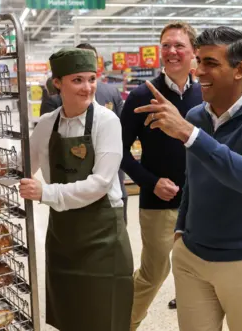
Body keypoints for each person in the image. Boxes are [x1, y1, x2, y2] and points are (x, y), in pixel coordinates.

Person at [135, 26, 242, 331]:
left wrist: (191, 136)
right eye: (199, 61)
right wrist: (180, 233)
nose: (199, 71)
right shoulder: (196, 117)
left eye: (211, 64)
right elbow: (193, 180)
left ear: (240, 69)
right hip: (192, 258)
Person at [20, 48, 133, 331]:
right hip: (64, 235)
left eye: (91, 79)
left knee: (104, 313)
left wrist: (46, 193)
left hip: (102, 236)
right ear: (57, 83)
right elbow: (24, 166)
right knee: (70, 313)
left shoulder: (108, 122)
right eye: (78, 80)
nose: (88, 87)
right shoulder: (47, 125)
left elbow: (100, 183)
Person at [121, 22, 202, 330]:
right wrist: (151, 182)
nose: (172, 51)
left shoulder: (205, 94)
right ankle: (123, 322)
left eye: (179, 45)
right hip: (158, 204)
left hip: (200, 204)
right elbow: (120, 150)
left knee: (197, 273)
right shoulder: (142, 95)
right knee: (153, 273)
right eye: (166, 45)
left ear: (193, 52)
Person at [76, 42, 129, 219]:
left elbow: (124, 131)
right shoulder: (65, 97)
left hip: (112, 175)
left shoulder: (111, 92)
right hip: (79, 178)